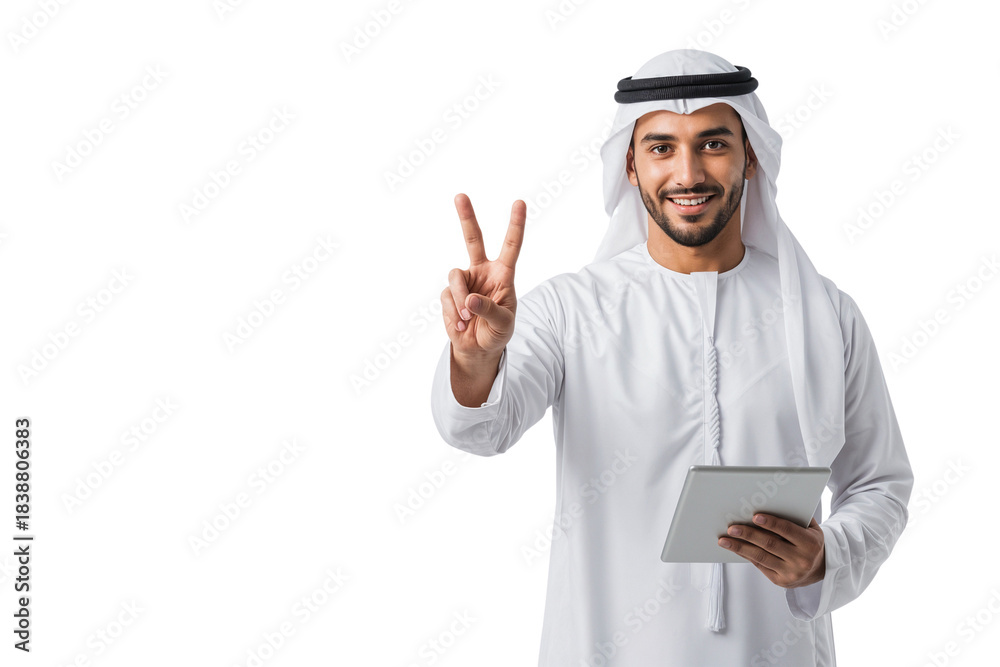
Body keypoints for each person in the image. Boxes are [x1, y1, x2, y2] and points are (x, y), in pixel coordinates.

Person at [430, 49, 913, 666]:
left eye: (713, 144)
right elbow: (480, 430)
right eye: (662, 147)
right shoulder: (570, 310)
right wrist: (475, 359)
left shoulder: (824, 313)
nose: (688, 173)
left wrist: (829, 556)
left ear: (750, 155)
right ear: (630, 166)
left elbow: (879, 483)